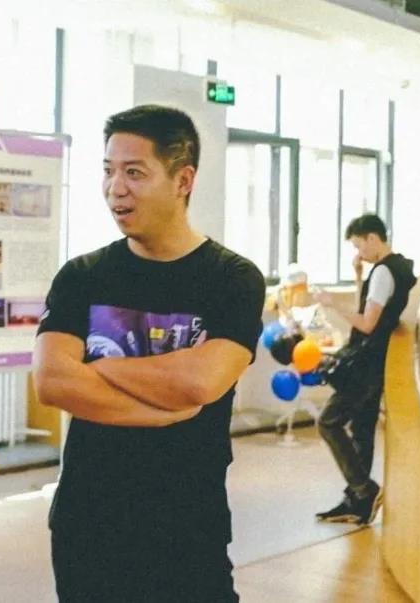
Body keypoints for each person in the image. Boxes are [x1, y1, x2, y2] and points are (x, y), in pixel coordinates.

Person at [33, 105, 265, 603]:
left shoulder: (231, 279)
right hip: (89, 525)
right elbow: (52, 381)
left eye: (134, 173)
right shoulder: (82, 276)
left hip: (188, 528)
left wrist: (101, 366)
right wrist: (163, 410)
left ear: (183, 180)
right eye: (108, 170)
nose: (115, 188)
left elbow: (202, 381)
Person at [312, 213, 415, 524]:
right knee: (362, 430)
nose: (359, 253)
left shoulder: (383, 272)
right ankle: (357, 501)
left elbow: (367, 323)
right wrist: (359, 277)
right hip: (382, 361)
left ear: (373, 238)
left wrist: (331, 303)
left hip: (365, 364)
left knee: (328, 422)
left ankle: (364, 489)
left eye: (359, 246)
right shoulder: (401, 267)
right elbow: (370, 308)